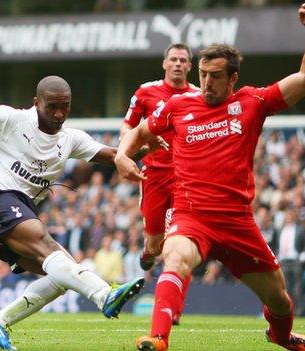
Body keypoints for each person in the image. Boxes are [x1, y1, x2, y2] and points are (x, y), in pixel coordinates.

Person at [115, 3, 305, 350]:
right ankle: (158, 338)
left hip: (237, 222)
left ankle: (281, 336)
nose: (206, 82)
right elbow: (138, 131)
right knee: (175, 257)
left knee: (280, 300)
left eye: (215, 76)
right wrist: (123, 155)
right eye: (203, 74)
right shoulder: (179, 107)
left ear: (232, 78)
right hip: (191, 214)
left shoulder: (253, 102)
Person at [0, 75, 148, 350]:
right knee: (47, 246)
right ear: (36, 103)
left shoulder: (70, 139)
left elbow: (113, 154)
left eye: (65, 106)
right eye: (52, 106)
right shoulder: (10, 120)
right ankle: (103, 295)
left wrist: (145, 149)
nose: (60, 113)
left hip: (24, 208)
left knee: (62, 275)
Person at [120, 43, 199, 325]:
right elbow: (127, 127)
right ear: (164, 63)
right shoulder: (146, 91)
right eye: (173, 59)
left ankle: (174, 309)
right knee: (155, 245)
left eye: (183, 60)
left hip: (185, 179)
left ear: (190, 66)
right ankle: (148, 251)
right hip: (153, 176)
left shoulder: (198, 96)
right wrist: (132, 150)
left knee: (182, 242)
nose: (178, 64)